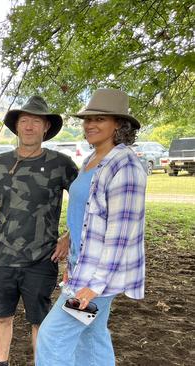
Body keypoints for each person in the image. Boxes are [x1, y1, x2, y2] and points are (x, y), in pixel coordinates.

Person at [35, 89, 147, 366]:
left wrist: (94, 286)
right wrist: (70, 243)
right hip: (83, 270)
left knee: (52, 336)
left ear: (119, 125)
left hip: (98, 279)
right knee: (92, 335)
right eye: (87, 119)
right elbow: (88, 215)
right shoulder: (91, 161)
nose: (90, 125)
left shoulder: (126, 165)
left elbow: (120, 234)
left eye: (100, 119)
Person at [0, 96, 78, 366]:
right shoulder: (0, 163)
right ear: (16, 127)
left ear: (46, 127)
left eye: (36, 121)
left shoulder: (60, 164)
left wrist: (69, 237)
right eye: (24, 121)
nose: (29, 126)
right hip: (3, 257)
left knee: (40, 320)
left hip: (42, 258)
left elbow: (84, 201)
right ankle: (0, 362)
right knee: (2, 316)